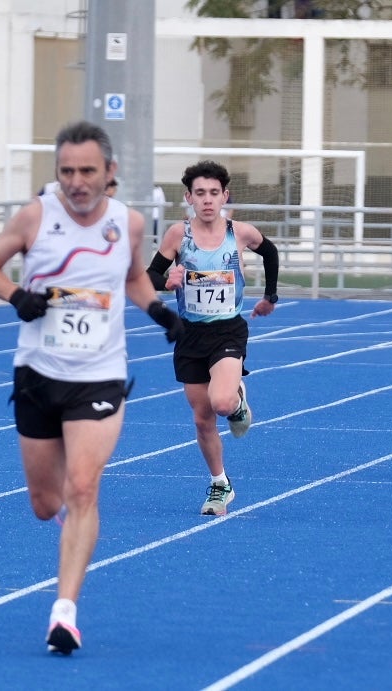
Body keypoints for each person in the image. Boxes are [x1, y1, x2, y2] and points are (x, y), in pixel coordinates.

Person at [0, 121, 183, 655]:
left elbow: (133, 276)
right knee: (47, 503)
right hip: (39, 374)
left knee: (83, 487)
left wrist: (158, 311)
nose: (77, 181)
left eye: (87, 171)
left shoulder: (127, 223)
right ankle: (74, 528)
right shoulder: (36, 217)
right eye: (67, 171)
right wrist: (17, 296)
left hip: (100, 373)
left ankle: (64, 611)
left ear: (109, 172)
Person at [147, 160, 279, 516]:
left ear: (225, 196)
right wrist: (167, 281)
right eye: (200, 193)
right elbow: (149, 277)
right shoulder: (178, 235)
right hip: (189, 334)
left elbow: (269, 252)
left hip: (227, 329)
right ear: (189, 197)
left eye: (214, 193)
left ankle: (236, 401)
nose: (207, 200)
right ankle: (220, 483)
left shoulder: (241, 233)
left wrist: (270, 296)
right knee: (203, 418)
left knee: (220, 403)